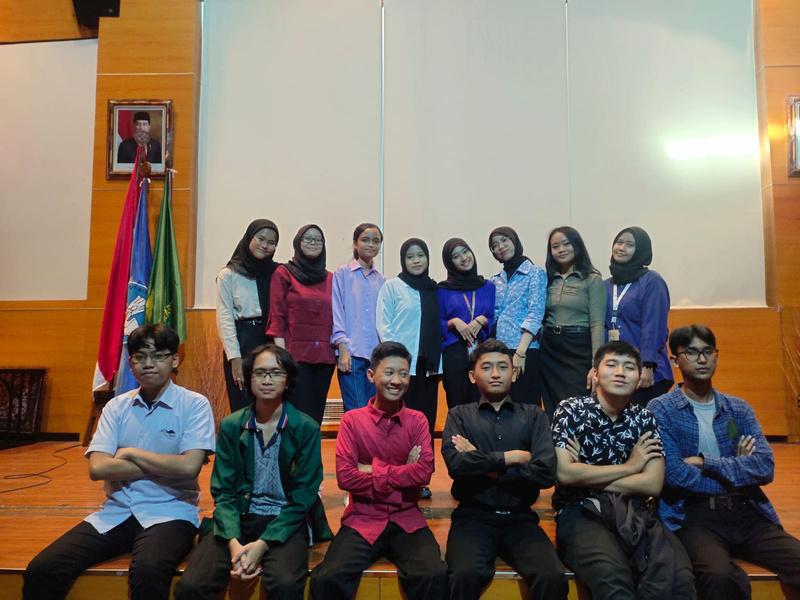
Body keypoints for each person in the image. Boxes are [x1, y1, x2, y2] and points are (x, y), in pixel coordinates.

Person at [23, 324, 215, 600]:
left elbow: (188, 468)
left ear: (174, 359)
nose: (148, 364)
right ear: (131, 362)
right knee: (42, 569)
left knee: (149, 571)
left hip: (171, 513)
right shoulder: (116, 406)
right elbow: (99, 468)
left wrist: (130, 453)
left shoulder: (194, 404)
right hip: (117, 511)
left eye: (158, 356)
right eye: (140, 357)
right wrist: (167, 464)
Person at [648, 325, 800, 600]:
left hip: (746, 511)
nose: (702, 359)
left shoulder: (737, 409)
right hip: (692, 515)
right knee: (720, 575)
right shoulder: (662, 409)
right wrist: (736, 471)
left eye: (708, 351)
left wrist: (705, 463)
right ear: (675, 360)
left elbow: (764, 467)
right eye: (692, 352)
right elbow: (675, 475)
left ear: (716, 355)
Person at [174, 344, 331, 600]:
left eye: (275, 373)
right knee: (192, 585)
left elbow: (303, 496)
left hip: (285, 520)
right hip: (238, 516)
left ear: (288, 380)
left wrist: (261, 546)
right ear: (249, 379)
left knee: (284, 584)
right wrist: (234, 544)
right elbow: (224, 492)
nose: (267, 379)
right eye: (259, 373)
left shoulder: (306, 428)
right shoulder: (231, 425)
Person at [551, 341, 695, 599]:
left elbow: (652, 484)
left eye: (629, 367)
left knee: (678, 577)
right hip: (581, 510)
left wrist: (583, 473)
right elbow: (564, 475)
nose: (620, 372)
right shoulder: (571, 410)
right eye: (611, 365)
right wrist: (630, 467)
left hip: (634, 510)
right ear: (595, 373)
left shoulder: (644, 418)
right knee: (613, 580)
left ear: (639, 378)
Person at [309, 341, 448, 600]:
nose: (397, 381)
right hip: (363, 519)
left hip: (407, 518)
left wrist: (373, 469)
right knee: (327, 578)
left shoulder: (417, 420)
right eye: (389, 372)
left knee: (433, 575)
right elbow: (346, 477)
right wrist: (403, 470)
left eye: (403, 374)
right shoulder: (352, 420)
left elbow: (423, 473)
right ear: (371, 375)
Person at [442, 339, 566, 600]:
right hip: (472, 518)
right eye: (487, 367)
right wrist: (513, 458)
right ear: (472, 376)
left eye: (502, 367)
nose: (496, 374)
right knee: (463, 576)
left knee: (552, 576)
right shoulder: (459, 415)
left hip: (520, 518)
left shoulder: (534, 415)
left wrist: (480, 460)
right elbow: (456, 465)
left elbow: (545, 473)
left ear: (514, 373)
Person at [376, 238, 441, 498]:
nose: (416, 260)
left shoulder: (434, 289)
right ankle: (396, 476)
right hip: (402, 371)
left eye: (420, 255)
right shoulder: (393, 287)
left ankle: (420, 478)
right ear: (403, 260)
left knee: (425, 423)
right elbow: (385, 325)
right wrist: (397, 362)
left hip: (429, 369)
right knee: (398, 424)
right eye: (410, 256)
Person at [267, 224, 335, 425]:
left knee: (315, 416)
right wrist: (282, 356)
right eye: (308, 238)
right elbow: (277, 315)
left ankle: (312, 448)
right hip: (295, 356)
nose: (313, 243)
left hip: (324, 357)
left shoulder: (331, 278)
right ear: (298, 242)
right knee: (297, 415)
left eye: (318, 240)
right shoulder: (284, 273)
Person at [540, 226, 606, 418]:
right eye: (555, 246)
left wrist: (596, 364)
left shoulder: (592, 279)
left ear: (577, 246)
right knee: (552, 406)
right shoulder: (548, 279)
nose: (561, 249)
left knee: (578, 405)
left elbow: (597, 323)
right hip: (550, 349)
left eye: (566, 244)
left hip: (578, 348)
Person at [216, 219, 280, 413]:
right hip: (243, 341)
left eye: (271, 242)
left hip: (271, 339)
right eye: (261, 239)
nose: (265, 245)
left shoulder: (278, 273)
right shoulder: (228, 274)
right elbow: (225, 318)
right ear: (249, 238)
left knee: (271, 404)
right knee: (243, 404)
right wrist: (234, 357)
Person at [605, 226, 672, 407]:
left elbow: (654, 327)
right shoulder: (606, 285)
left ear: (641, 250)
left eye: (629, 245)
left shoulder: (651, 281)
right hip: (616, 371)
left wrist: (647, 365)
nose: (621, 248)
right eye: (619, 242)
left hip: (646, 371)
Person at [488, 226, 547, 406]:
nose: (500, 247)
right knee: (503, 406)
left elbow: (535, 313)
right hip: (500, 351)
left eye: (504, 240)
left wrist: (520, 353)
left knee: (526, 406)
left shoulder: (535, 273)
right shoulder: (495, 280)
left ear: (514, 241)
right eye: (494, 245)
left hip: (524, 349)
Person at [331, 223, 385, 412]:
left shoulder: (382, 280)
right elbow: (337, 310)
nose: (371, 244)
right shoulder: (342, 273)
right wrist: (342, 348)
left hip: (375, 356)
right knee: (356, 411)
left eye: (376, 241)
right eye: (365, 240)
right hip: (351, 354)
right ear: (355, 243)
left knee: (374, 411)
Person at [438, 237, 495, 409]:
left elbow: (495, 317)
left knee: (484, 405)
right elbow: (435, 323)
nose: (463, 258)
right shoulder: (442, 290)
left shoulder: (488, 286)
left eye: (465, 252)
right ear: (449, 263)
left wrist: (483, 320)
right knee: (458, 407)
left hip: (483, 353)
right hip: (454, 355)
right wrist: (453, 322)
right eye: (456, 256)